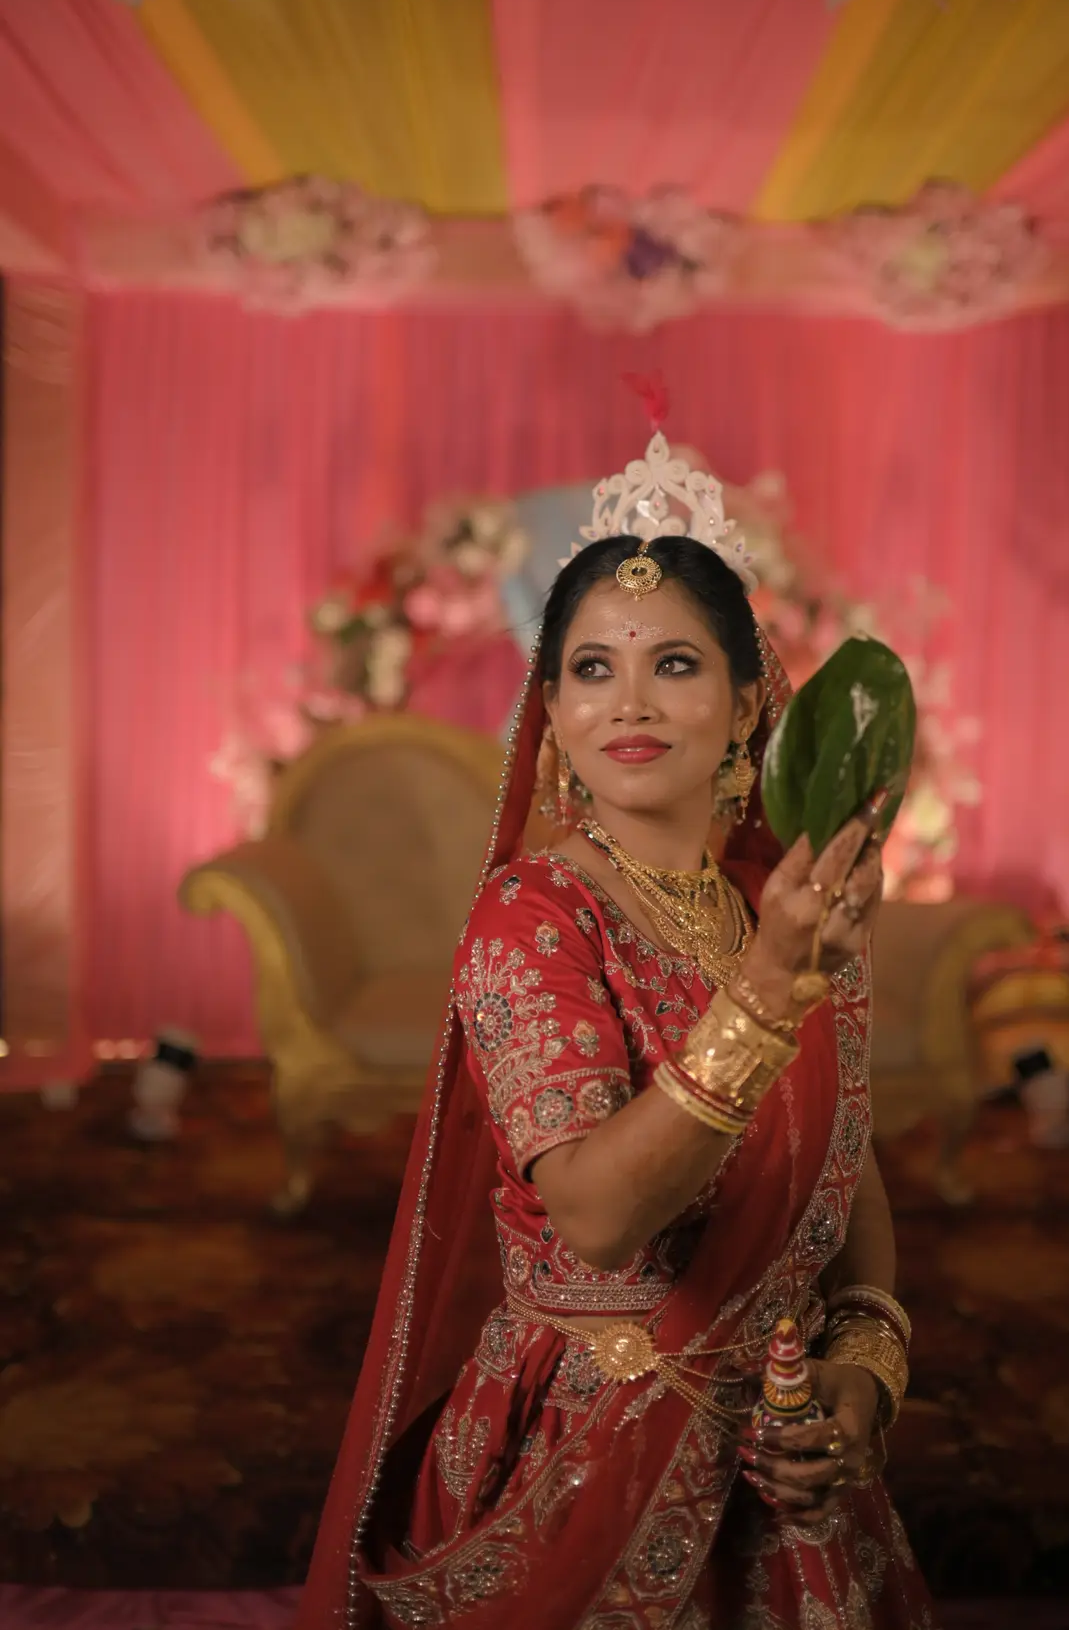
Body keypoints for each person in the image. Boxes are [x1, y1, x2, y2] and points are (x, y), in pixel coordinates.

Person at [297, 427, 936, 1630]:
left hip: (787, 1466)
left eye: (675, 664)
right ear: (552, 709)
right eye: (591, 667)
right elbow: (595, 1217)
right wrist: (764, 993)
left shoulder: (775, 905)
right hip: (586, 1455)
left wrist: (864, 1373)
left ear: (746, 704)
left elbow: (848, 1187)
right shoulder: (534, 915)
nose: (629, 700)